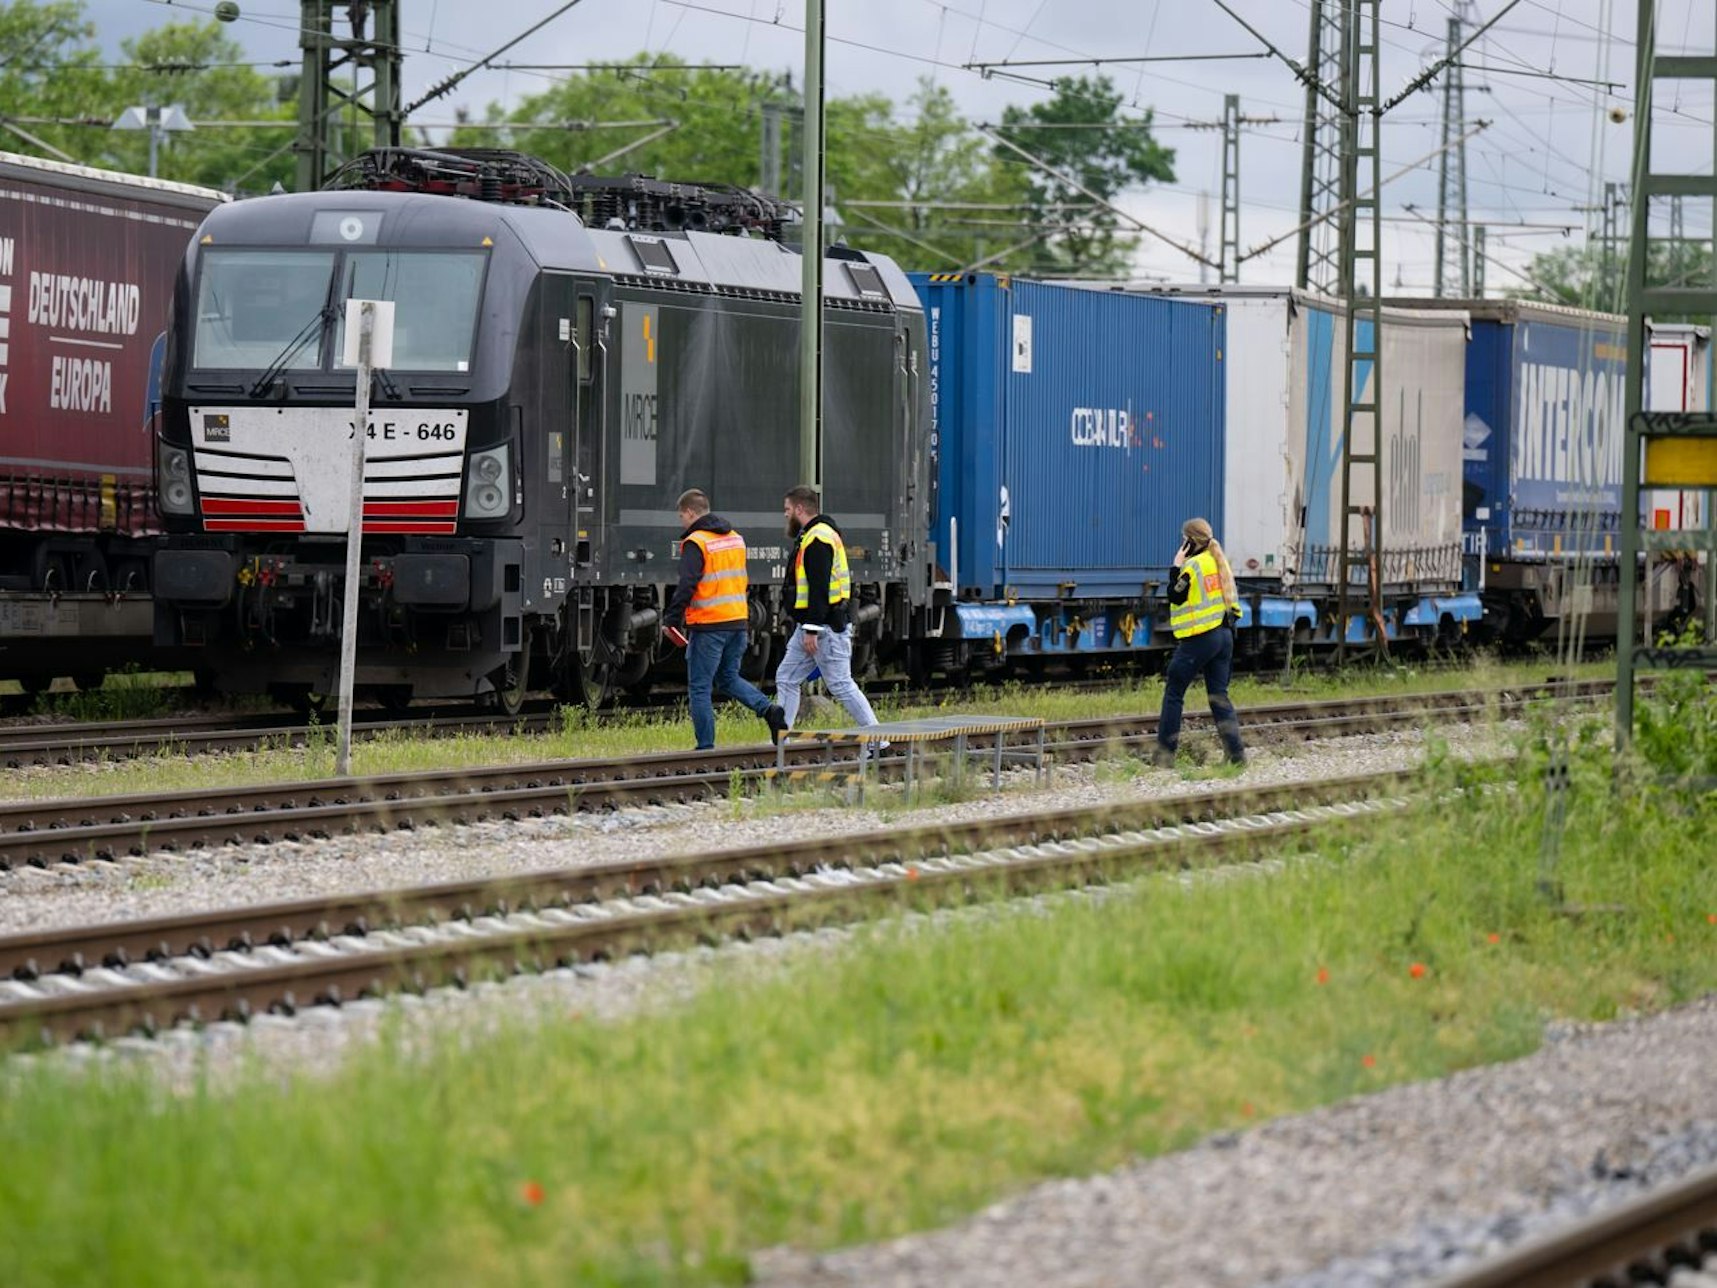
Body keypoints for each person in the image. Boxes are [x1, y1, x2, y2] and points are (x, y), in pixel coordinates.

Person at [663, 489, 788, 751]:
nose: (682, 523)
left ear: (689, 512)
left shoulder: (697, 542)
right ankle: (769, 711)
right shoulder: (735, 539)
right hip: (738, 623)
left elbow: (687, 584)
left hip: (709, 627)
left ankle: (705, 746)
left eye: (681, 517)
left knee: (699, 688)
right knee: (728, 678)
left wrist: (671, 619)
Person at [774, 484, 880, 735]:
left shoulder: (818, 538)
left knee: (841, 684)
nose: (785, 515)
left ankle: (879, 741)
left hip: (824, 628)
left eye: (787, 509)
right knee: (786, 678)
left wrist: (812, 628)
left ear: (800, 508)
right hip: (813, 626)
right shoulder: (816, 534)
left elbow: (820, 587)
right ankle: (779, 743)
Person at [1154, 516, 1246, 767]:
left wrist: (1175, 566)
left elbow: (1175, 595)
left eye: (1184, 540)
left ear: (1191, 543)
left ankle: (1164, 757)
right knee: (1219, 696)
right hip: (1225, 636)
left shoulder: (1192, 567)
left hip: (1201, 638)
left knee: (1174, 692)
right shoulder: (1220, 562)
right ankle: (1236, 757)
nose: (1183, 544)